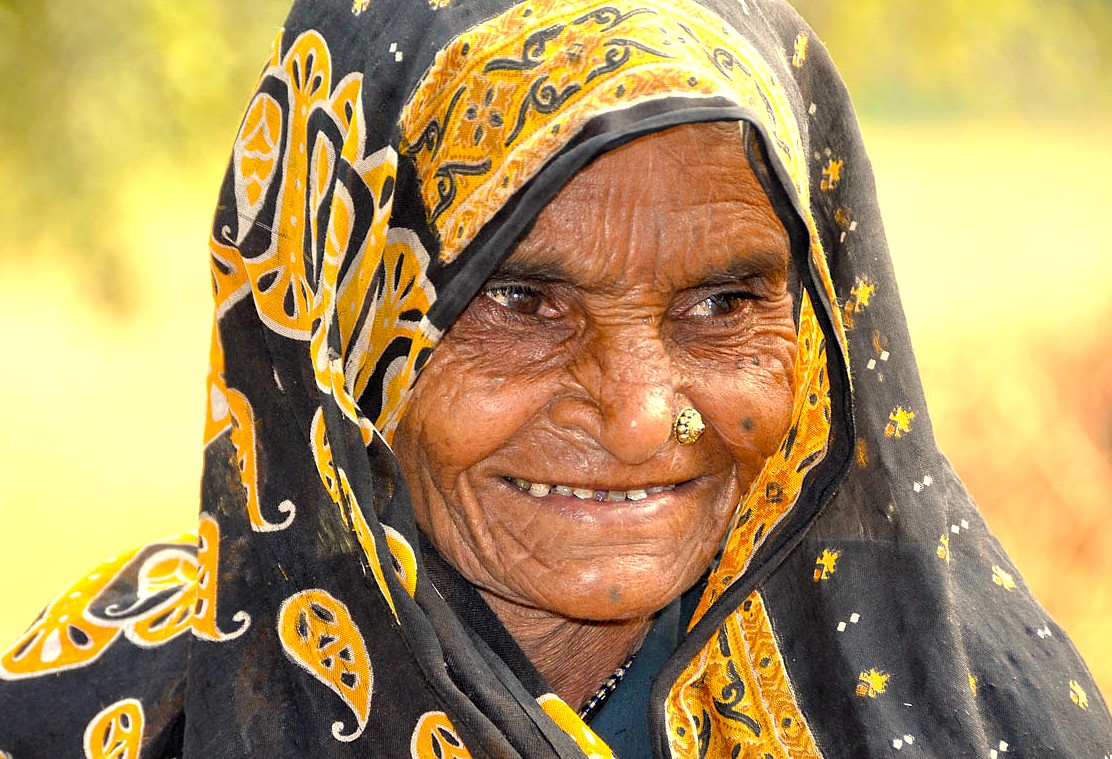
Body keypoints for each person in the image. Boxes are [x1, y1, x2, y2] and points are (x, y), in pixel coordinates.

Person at [1, 0, 1109, 756]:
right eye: (519, 302)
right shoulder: (114, 722)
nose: (637, 419)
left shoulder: (961, 716)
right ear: (341, 330)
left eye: (724, 303)